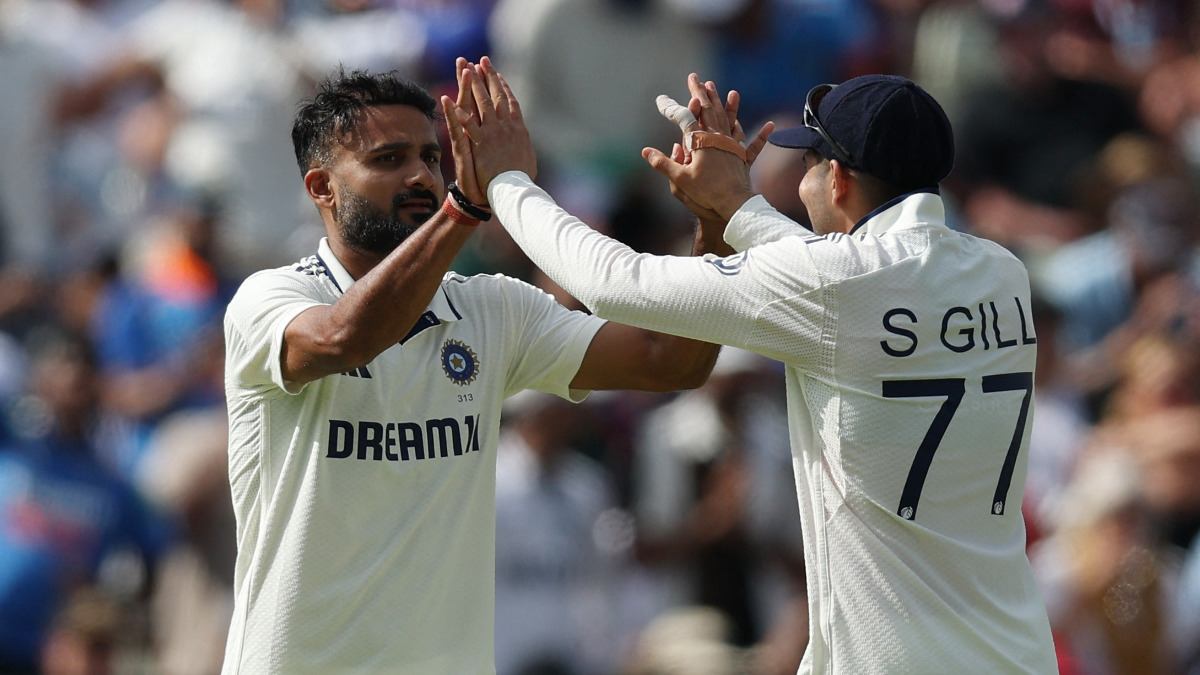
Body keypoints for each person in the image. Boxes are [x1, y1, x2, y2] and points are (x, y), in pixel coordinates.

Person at [450, 58, 1058, 672]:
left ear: (837, 180)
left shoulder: (835, 285)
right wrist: (735, 206)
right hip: (1017, 651)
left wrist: (507, 182)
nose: (802, 189)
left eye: (809, 166)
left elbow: (613, 284)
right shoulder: (1000, 271)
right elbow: (841, 276)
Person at [219, 63, 722, 674]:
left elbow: (669, 361)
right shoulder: (271, 298)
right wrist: (465, 207)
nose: (420, 176)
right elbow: (346, 338)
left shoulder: (492, 308)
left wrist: (716, 224)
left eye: (432, 158)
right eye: (388, 159)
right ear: (322, 187)